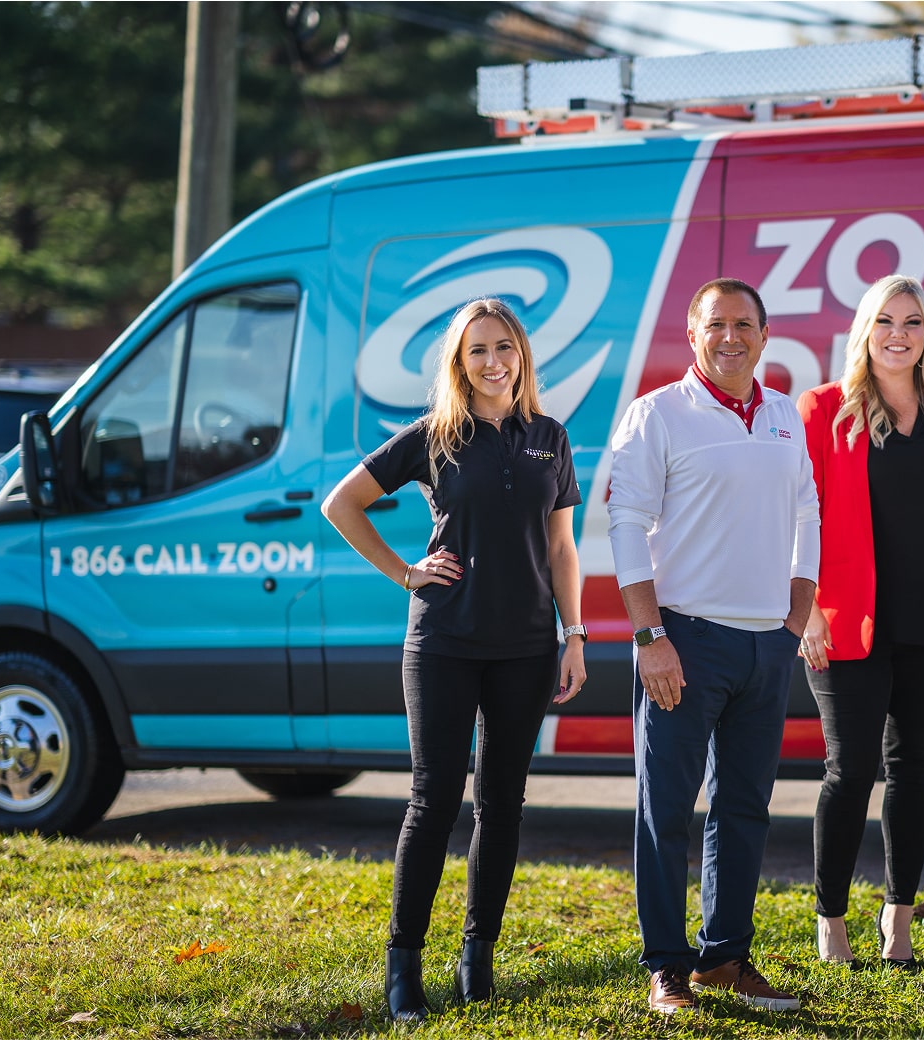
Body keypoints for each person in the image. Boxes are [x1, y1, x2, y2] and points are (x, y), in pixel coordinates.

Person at [322, 298, 586, 1022]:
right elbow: (341, 504)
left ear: (521, 355)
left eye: (505, 347)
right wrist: (406, 572)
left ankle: (478, 958)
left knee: (501, 805)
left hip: (528, 647)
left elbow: (562, 548)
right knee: (433, 800)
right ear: (459, 362)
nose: (494, 360)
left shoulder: (548, 437)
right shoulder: (433, 436)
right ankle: (403, 968)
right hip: (442, 641)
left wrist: (575, 634)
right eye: (478, 350)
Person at [607, 277, 819, 1015]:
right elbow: (626, 526)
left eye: (743, 325)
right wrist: (649, 636)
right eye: (715, 325)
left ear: (764, 335)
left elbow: (806, 514)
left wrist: (798, 610)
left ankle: (725, 957)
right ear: (691, 335)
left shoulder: (785, 413)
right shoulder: (658, 414)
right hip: (684, 640)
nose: (730, 338)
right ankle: (667, 966)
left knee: (744, 809)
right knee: (664, 810)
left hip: (766, 646)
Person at [796, 274, 924, 968]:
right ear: (864, 331)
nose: (898, 335)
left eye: (911, 323)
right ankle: (830, 919)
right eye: (885, 321)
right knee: (849, 773)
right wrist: (809, 612)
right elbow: (798, 516)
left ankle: (899, 917)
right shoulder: (825, 409)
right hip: (847, 623)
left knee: (912, 773)